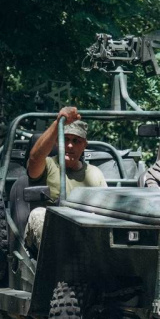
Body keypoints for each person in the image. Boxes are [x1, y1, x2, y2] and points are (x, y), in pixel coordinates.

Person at [24, 106, 107, 255]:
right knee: (38, 214)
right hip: (51, 233)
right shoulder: (48, 164)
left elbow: (106, 211)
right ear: (57, 142)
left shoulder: (95, 174)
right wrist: (58, 123)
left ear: (84, 146)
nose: (70, 145)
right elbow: (34, 159)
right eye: (66, 139)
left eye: (76, 141)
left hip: (85, 234)